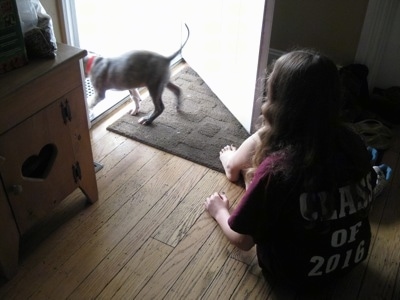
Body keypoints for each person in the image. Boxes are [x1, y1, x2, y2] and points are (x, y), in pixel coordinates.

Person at [204, 49, 391, 289]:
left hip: (291, 274)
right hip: (349, 263)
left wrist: (219, 211)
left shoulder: (277, 169)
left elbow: (242, 240)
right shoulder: (354, 142)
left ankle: (240, 173)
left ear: (275, 102)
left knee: (258, 170)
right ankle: (246, 176)